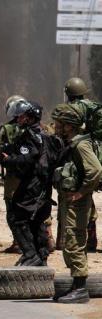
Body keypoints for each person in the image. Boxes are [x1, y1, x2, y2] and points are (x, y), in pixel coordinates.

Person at [0, 100, 60, 266]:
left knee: (17, 217)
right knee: (37, 220)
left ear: (30, 117)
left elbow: (27, 160)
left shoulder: (29, 136)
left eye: (22, 116)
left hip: (32, 184)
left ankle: (30, 254)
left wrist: (9, 160)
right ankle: (41, 257)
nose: (18, 119)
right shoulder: (45, 134)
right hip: (43, 184)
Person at [51, 103, 102, 303]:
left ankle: (80, 289)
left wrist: (81, 192)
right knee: (70, 241)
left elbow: (95, 170)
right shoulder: (72, 143)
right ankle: (75, 285)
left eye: (59, 124)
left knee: (74, 241)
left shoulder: (81, 145)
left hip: (77, 203)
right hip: (69, 200)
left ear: (69, 125)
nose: (56, 127)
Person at [63, 77, 100, 252]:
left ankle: (67, 240)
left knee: (76, 198)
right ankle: (92, 240)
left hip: (79, 159)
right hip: (96, 156)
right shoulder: (94, 108)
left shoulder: (70, 110)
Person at [0, 95, 26, 254]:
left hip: (13, 176)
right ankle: (47, 238)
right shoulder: (37, 127)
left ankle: (18, 243)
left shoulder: (7, 129)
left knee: (12, 208)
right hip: (34, 175)